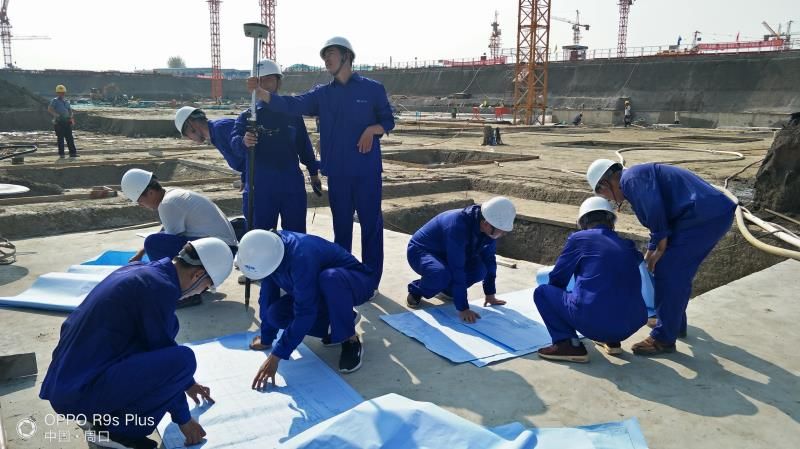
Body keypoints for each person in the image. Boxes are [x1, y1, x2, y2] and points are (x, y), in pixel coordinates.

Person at [39, 238, 234, 449]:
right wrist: (184, 419)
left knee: (172, 332)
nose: (201, 292)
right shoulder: (159, 289)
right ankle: (118, 433)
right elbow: (167, 363)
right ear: (197, 275)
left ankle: (99, 415)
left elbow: (158, 345)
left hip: (69, 382)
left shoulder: (145, 272)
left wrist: (188, 383)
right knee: (183, 360)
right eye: (206, 287)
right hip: (81, 392)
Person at [246, 37, 395, 286]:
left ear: (347, 56)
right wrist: (262, 94)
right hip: (337, 174)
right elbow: (293, 104)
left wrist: (373, 130)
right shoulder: (322, 94)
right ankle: (344, 278)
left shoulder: (372, 89)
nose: (326, 60)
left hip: (366, 172)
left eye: (331, 54)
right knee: (342, 228)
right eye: (324, 56)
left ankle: (370, 281)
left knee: (371, 226)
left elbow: (388, 121)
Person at [587, 159, 736, 355]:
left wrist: (660, 244)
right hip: (704, 215)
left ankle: (663, 338)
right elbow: (660, 213)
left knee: (669, 271)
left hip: (702, 217)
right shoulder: (636, 177)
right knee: (676, 273)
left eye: (602, 194)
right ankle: (673, 323)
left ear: (605, 184)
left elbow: (654, 208)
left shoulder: (630, 179)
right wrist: (653, 247)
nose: (610, 200)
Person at [236, 229, 377, 381]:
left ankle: (350, 339)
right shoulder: (267, 253)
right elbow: (267, 297)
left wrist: (276, 356)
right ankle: (341, 320)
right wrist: (266, 338)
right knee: (275, 315)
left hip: (356, 283)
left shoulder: (301, 256)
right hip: (320, 290)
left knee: (330, 278)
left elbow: (305, 311)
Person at [534, 197, 647, 363]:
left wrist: (565, 299)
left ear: (583, 222)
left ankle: (568, 344)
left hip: (595, 323)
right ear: (611, 222)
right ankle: (612, 341)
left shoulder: (579, 239)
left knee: (543, 293)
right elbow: (635, 261)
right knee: (611, 285)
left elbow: (558, 278)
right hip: (633, 322)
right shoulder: (626, 244)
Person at [231, 59, 321, 233]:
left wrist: (313, 172)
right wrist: (243, 142)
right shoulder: (248, 116)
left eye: (270, 79)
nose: (265, 84)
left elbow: (304, 145)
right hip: (261, 188)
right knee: (261, 237)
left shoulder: (292, 115)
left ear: (278, 82)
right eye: (261, 80)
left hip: (291, 185)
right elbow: (234, 144)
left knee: (295, 236)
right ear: (254, 84)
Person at [405, 197, 516, 323]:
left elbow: (489, 260)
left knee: (480, 270)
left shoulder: (489, 230)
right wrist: (463, 308)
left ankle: (448, 290)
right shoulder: (457, 226)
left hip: (447, 252)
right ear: (486, 224)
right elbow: (457, 267)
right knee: (440, 274)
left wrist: (490, 294)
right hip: (421, 251)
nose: (503, 234)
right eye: (501, 231)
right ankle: (417, 290)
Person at [121, 168, 237, 269]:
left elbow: (168, 240)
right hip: (224, 248)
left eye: (140, 201)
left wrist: (147, 248)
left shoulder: (168, 204)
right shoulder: (171, 194)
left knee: (153, 243)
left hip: (219, 251)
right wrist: (141, 252)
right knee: (156, 241)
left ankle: (167, 280)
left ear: (151, 193)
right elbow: (166, 230)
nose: (141, 206)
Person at [47, 84, 79, 159]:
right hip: (59, 122)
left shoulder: (66, 101)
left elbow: (69, 110)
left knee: (70, 138)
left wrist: (71, 117)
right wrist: (56, 115)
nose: (61, 94)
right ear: (57, 93)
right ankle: (61, 154)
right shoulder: (55, 101)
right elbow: (49, 109)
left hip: (67, 121)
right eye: (60, 93)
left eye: (63, 93)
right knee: (60, 139)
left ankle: (73, 153)